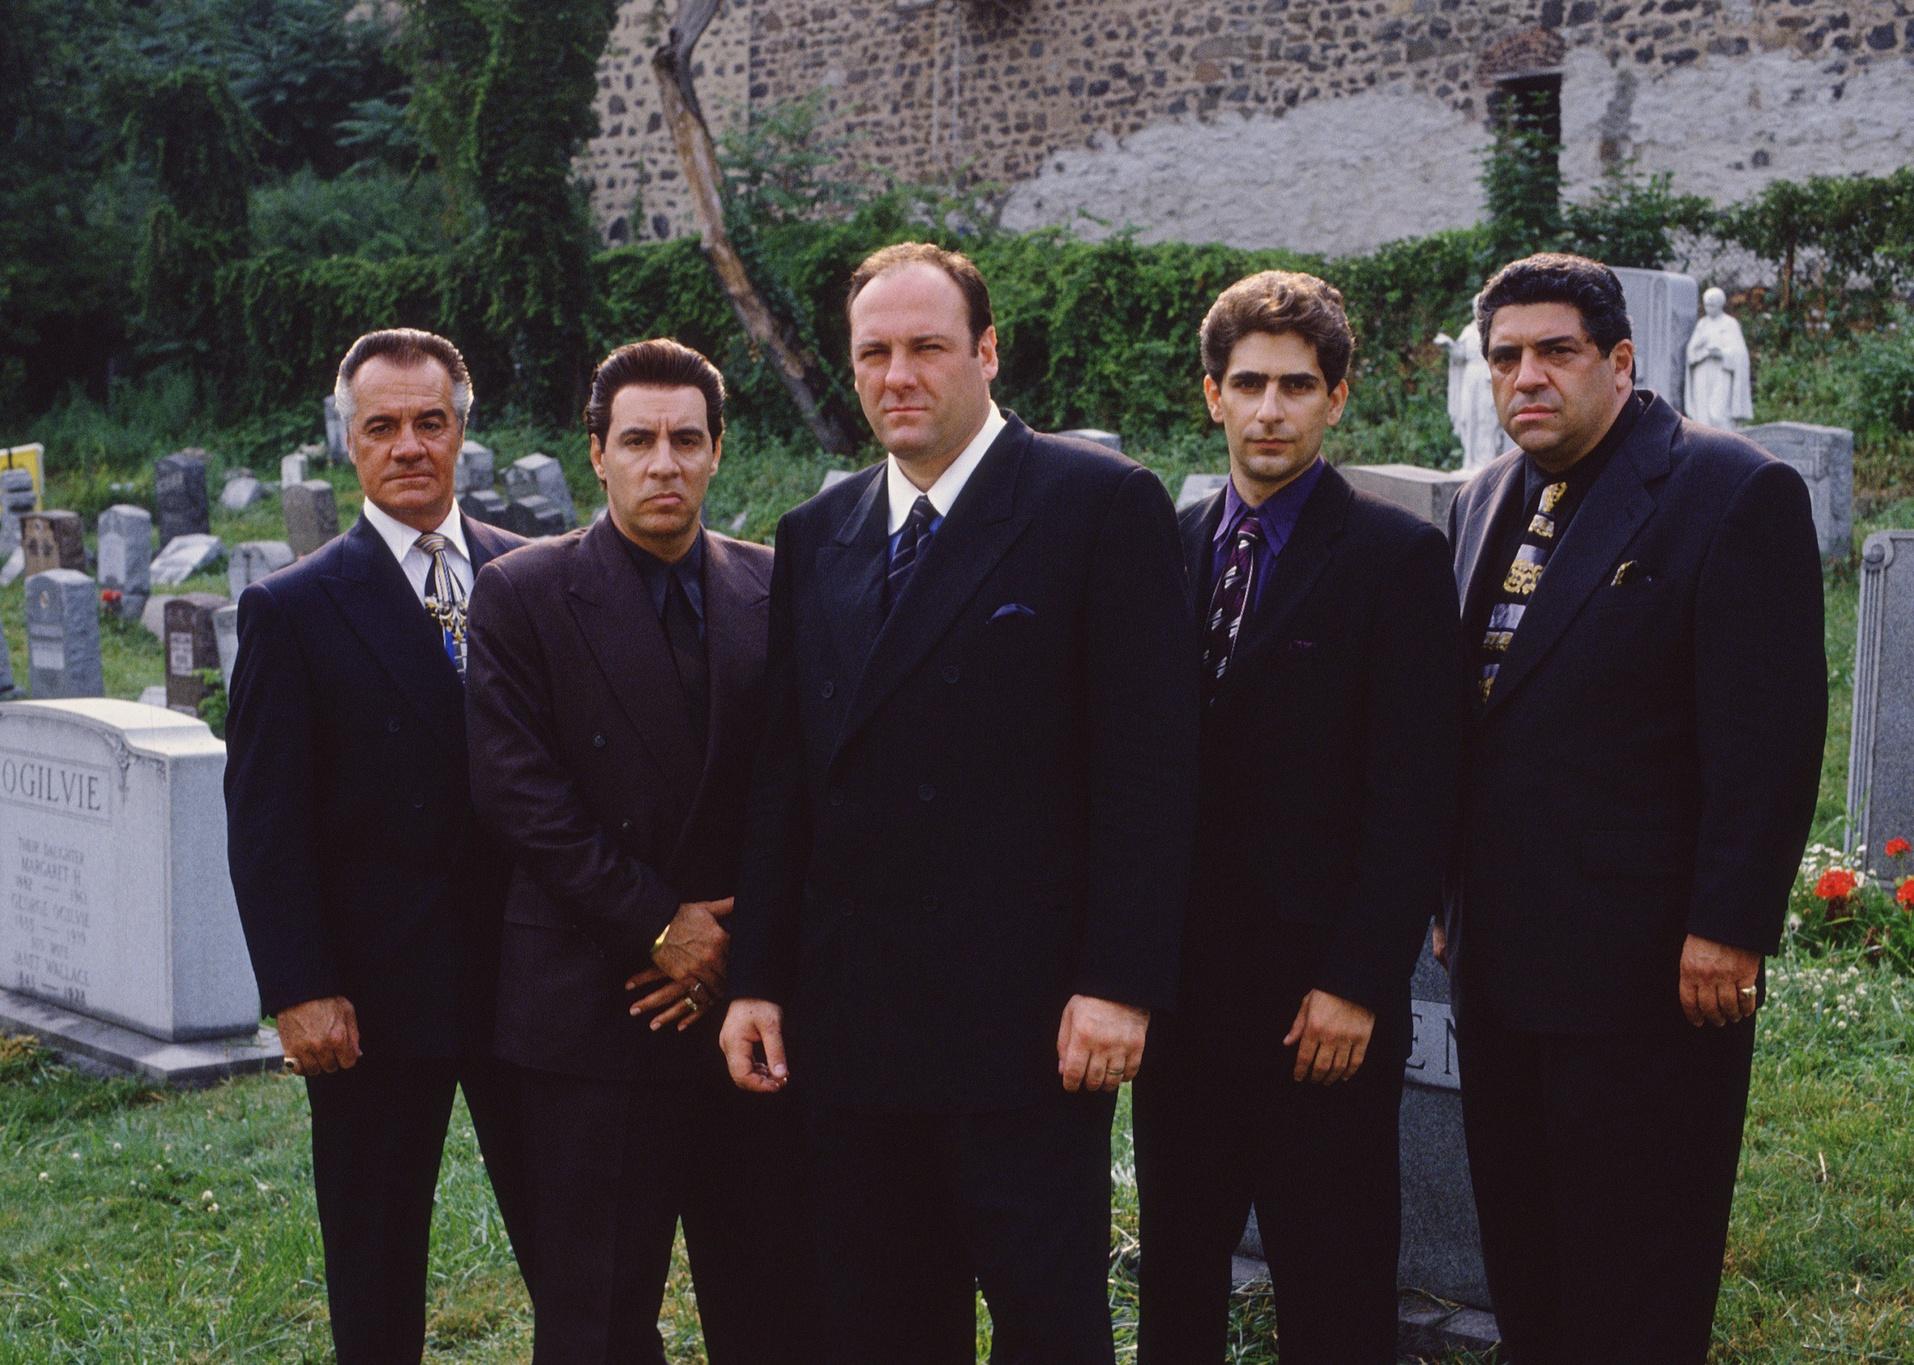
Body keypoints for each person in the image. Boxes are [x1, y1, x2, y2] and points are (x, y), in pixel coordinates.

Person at [719, 241, 1200, 1365]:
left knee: (1048, 1319)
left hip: (1027, 1020)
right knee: (881, 1321)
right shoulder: (819, 533)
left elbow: (1149, 766)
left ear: (987, 352)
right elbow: (787, 780)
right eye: (873, 353)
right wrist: (758, 979)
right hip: (854, 1017)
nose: (898, 376)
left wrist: (1119, 981)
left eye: (927, 347)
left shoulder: (1096, 504)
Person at [1442, 253, 1826, 1363]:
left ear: (1619, 360)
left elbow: (1769, 732)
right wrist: (1446, 895)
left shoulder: (1728, 490)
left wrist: (1731, 924)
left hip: (1651, 966)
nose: (1526, 377)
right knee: (1526, 1252)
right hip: (1500, 958)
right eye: (1506, 357)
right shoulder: (1481, 498)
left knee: (1636, 1263)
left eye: (1555, 352)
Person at [1132, 270, 1466, 1364]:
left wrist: (1358, 980)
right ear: (1212, 397)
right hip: (1182, 1003)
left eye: (1297, 385)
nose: (1270, 409)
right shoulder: (1171, 544)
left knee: (1333, 1284)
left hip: (1318, 1006)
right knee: (1177, 1278)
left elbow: (1416, 789)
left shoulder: (1393, 557)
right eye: (1248, 384)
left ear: (1337, 398)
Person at [464, 338, 810, 1363]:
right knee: (598, 1316)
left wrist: (738, 954)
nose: (665, 463)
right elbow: (519, 794)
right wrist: (660, 926)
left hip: (745, 1003)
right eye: (638, 441)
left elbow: (800, 789)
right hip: (594, 1002)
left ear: (718, 451)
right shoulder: (523, 592)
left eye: (687, 440)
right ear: (597, 454)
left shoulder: (774, 586)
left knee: (773, 1301)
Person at [224, 327, 531, 1363]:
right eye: (383, 425)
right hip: (373, 999)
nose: (409, 446)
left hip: (531, 980)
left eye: (430, 422)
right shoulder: (293, 608)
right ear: (347, 441)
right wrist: (300, 986)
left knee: (581, 1253)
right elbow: (266, 819)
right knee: (376, 1264)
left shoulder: (533, 573)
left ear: (462, 432)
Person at [1684, 285, 1754, 430]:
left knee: (1718, 413)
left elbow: (1740, 353)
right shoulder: (1702, 324)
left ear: (1720, 305)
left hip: (1721, 372)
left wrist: (1722, 353)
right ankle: (1703, 442)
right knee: (1702, 415)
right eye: (1707, 305)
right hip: (1702, 372)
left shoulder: (1730, 324)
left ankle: (1724, 441)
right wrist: (1702, 350)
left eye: (1712, 305)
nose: (1709, 309)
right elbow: (1691, 352)